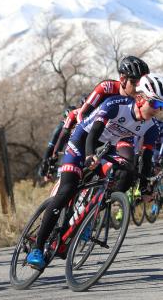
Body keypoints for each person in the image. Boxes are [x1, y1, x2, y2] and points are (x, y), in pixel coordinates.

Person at [26, 73, 163, 271]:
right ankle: (37, 247)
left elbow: (147, 160)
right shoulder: (115, 105)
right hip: (83, 141)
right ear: (141, 98)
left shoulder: (150, 128)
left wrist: (144, 187)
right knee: (67, 189)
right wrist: (90, 156)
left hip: (108, 147)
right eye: (156, 105)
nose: (159, 111)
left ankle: (89, 215)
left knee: (126, 172)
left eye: (162, 107)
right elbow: (93, 133)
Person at [44, 55, 150, 170]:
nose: (138, 88)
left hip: (114, 136)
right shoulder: (106, 87)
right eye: (135, 83)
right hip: (93, 128)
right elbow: (82, 113)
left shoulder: (141, 97)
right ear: (123, 79)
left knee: (125, 165)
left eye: (141, 84)